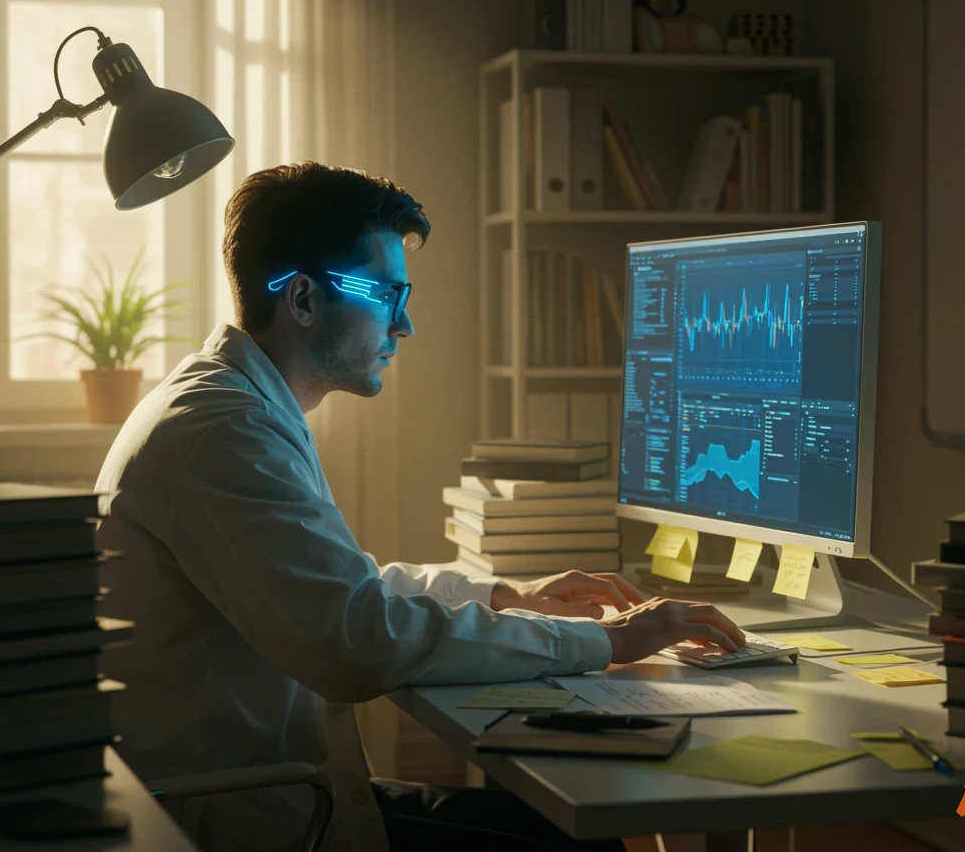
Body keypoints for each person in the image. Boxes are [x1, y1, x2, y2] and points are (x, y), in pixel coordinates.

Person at [95, 162, 746, 852]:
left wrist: (506, 594)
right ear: (304, 298)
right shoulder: (225, 431)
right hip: (234, 823)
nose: (404, 324)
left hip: (271, 795)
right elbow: (355, 640)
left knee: (566, 827)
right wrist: (609, 641)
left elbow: (341, 593)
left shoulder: (234, 406)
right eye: (387, 294)